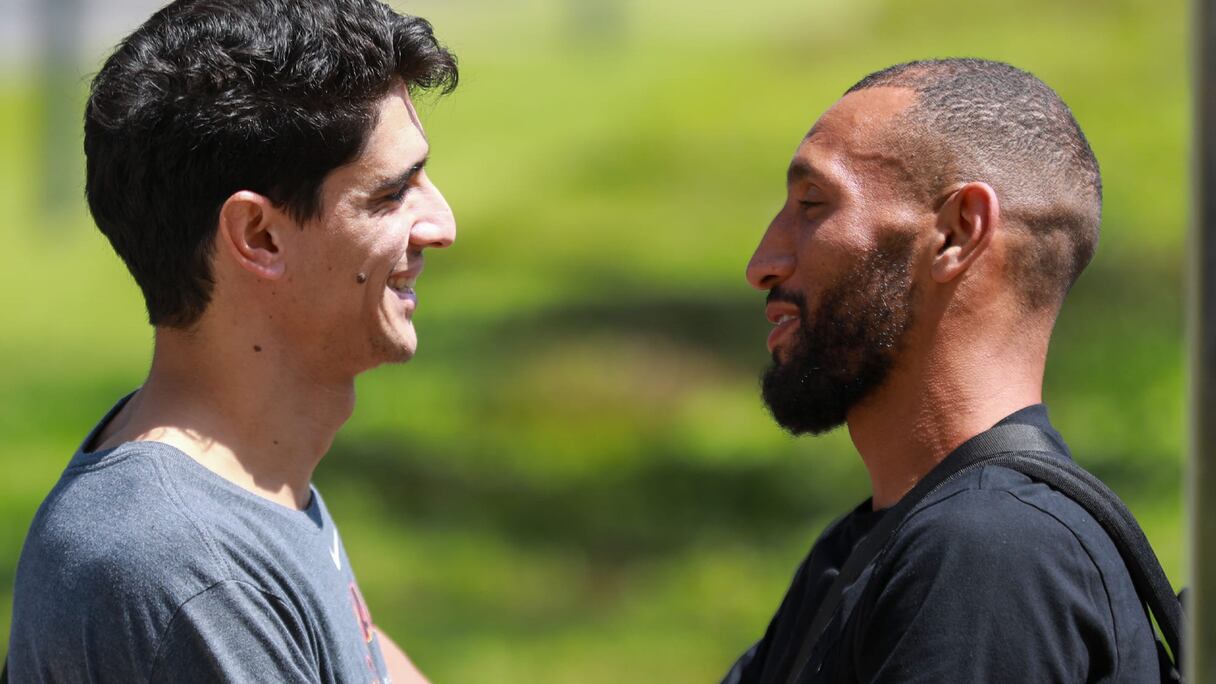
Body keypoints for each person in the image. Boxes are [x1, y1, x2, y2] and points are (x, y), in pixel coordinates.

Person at [7, 0, 457, 681]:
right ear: (260, 237)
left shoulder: (254, 479)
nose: (442, 224)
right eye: (391, 195)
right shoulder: (188, 571)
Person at [724, 59, 1163, 682]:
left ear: (957, 233)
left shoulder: (988, 556)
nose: (762, 262)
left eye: (814, 204)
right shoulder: (866, 547)